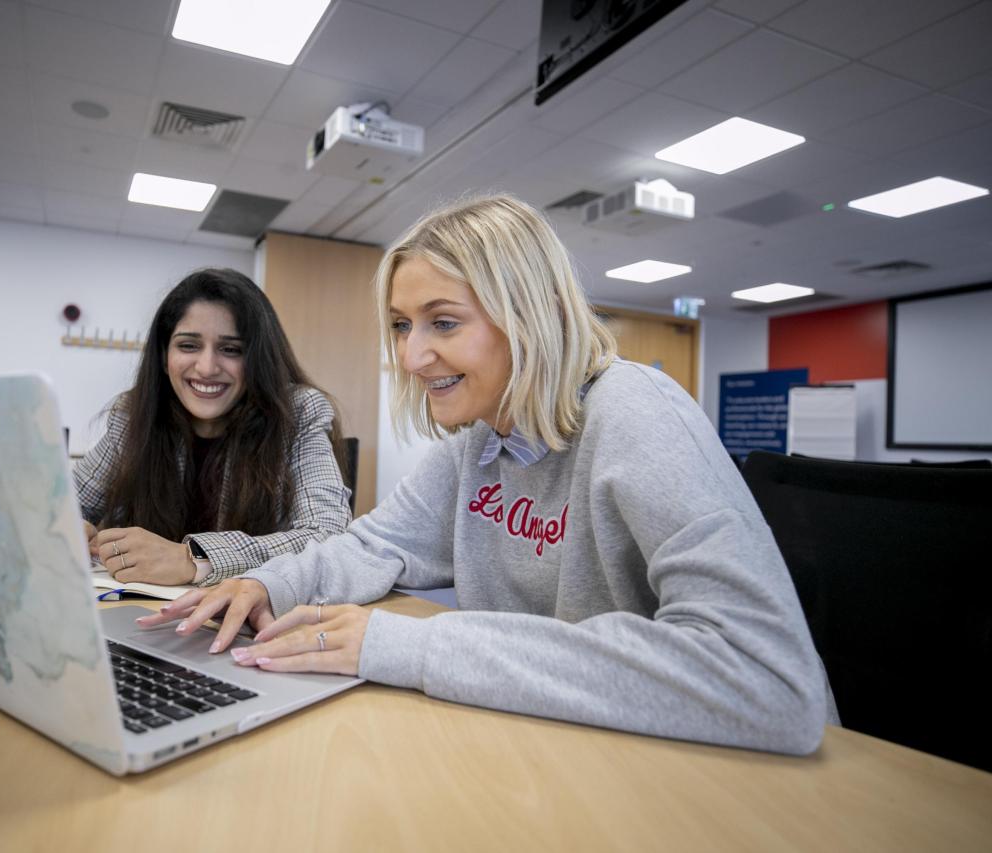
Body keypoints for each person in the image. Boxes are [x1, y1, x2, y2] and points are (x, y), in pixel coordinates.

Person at [139, 195, 838, 756]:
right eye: (402, 326)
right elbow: (372, 544)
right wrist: (269, 582)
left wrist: (411, 644)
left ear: (530, 317)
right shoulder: (481, 441)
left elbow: (770, 679)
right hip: (564, 747)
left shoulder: (638, 417)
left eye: (443, 322)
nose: (413, 357)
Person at [74, 268, 351, 586]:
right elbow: (65, 501)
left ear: (258, 360)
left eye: (231, 350)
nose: (206, 368)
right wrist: (70, 525)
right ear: (164, 357)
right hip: (138, 616)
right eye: (188, 346)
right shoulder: (135, 415)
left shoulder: (300, 413)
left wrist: (194, 558)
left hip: (249, 623)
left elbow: (328, 538)